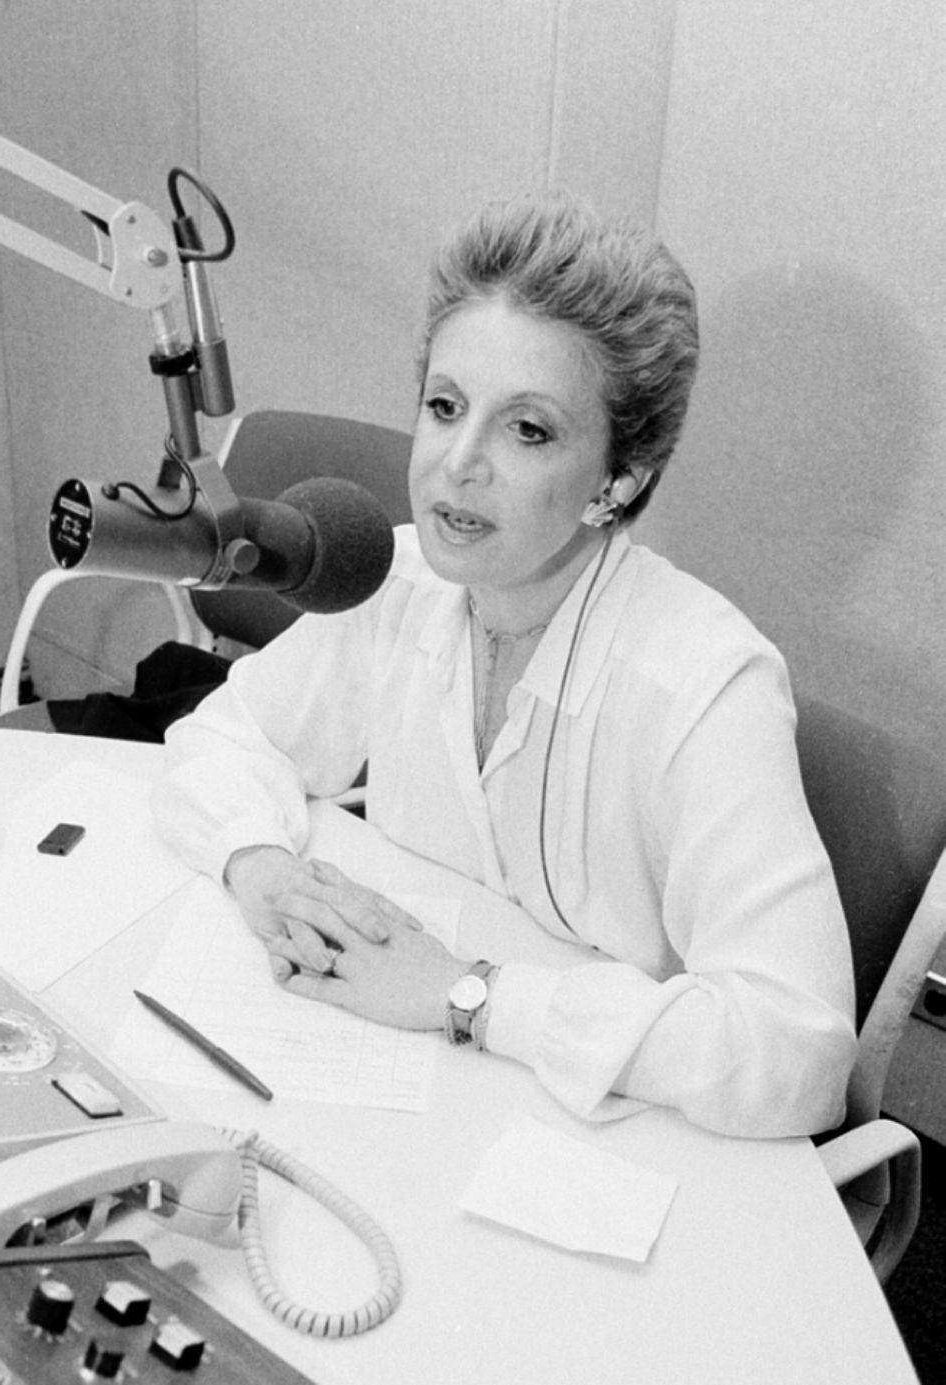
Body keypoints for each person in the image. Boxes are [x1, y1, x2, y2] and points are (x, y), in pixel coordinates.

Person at [152, 189, 856, 1138]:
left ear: (620, 479)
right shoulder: (402, 578)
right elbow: (224, 738)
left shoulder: (705, 682)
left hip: (607, 1138)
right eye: (444, 407)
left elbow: (797, 1051)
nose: (456, 464)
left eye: (527, 429)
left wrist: (469, 994)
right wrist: (263, 867)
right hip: (417, 1105)